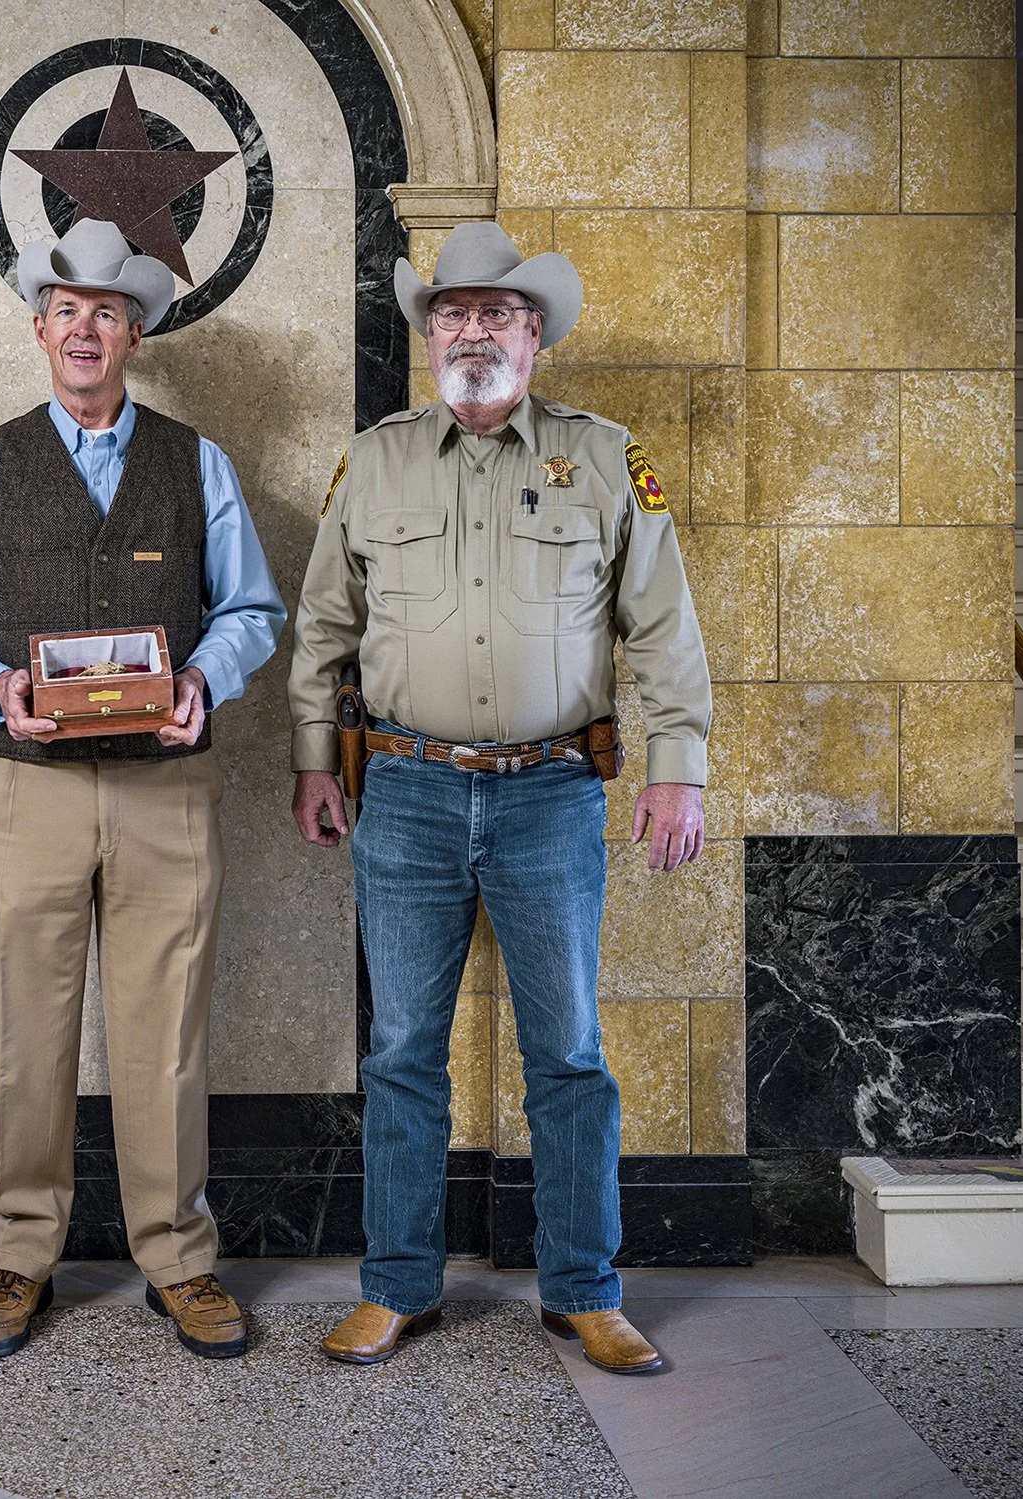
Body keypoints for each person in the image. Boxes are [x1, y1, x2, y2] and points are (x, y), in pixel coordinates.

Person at [286, 221, 711, 1375]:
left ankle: (583, 1288)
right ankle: (396, 1287)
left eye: (494, 312)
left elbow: (662, 629)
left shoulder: (605, 458)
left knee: (567, 1053)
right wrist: (315, 755)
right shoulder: (372, 461)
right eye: (450, 313)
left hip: (551, 795)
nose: (470, 330)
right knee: (401, 1051)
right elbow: (325, 623)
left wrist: (676, 770)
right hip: (407, 792)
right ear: (430, 336)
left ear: (533, 333)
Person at [0, 218, 285, 1361]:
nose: (83, 326)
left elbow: (251, 613)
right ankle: (20, 1253)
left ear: (133, 332)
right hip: (24, 787)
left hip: (167, 786)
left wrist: (204, 684)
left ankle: (178, 1255)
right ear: (39, 328)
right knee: (26, 1025)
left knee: (165, 1027)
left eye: (105, 310)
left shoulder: (197, 461)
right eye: (64, 307)